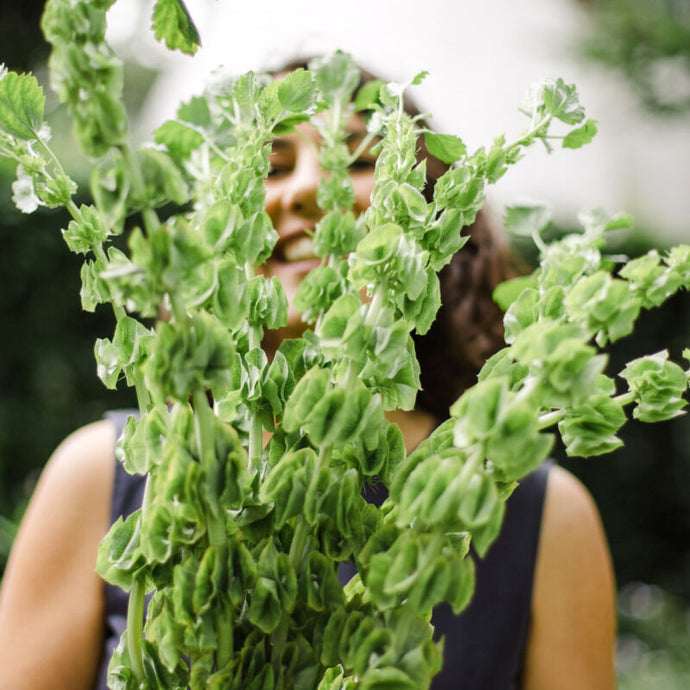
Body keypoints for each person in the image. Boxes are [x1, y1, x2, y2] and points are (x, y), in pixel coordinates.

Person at [0, 63, 617, 690]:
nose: (304, 189)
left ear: (432, 220)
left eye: (354, 159)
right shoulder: (102, 475)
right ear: (223, 227)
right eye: (270, 167)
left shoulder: (544, 517)